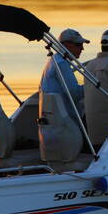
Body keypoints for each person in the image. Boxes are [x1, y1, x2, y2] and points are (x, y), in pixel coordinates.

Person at [37, 28, 87, 162]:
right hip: (66, 123)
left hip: (56, 123)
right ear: (66, 45)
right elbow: (75, 94)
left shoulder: (54, 61)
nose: (82, 48)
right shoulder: (62, 64)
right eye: (78, 45)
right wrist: (91, 87)